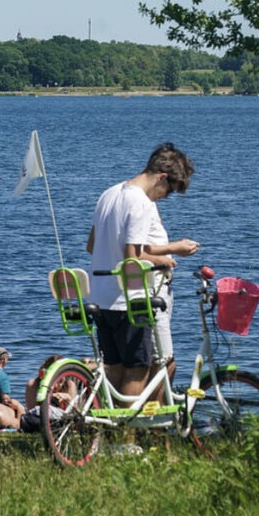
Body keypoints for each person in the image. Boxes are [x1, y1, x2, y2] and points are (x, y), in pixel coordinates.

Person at [87, 143, 199, 403]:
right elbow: (132, 258)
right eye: (167, 191)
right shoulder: (140, 202)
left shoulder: (109, 193)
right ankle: (128, 438)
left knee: (114, 367)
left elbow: (92, 246)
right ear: (161, 177)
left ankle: (110, 432)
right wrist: (171, 253)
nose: (164, 197)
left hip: (101, 294)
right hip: (129, 298)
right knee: (138, 368)